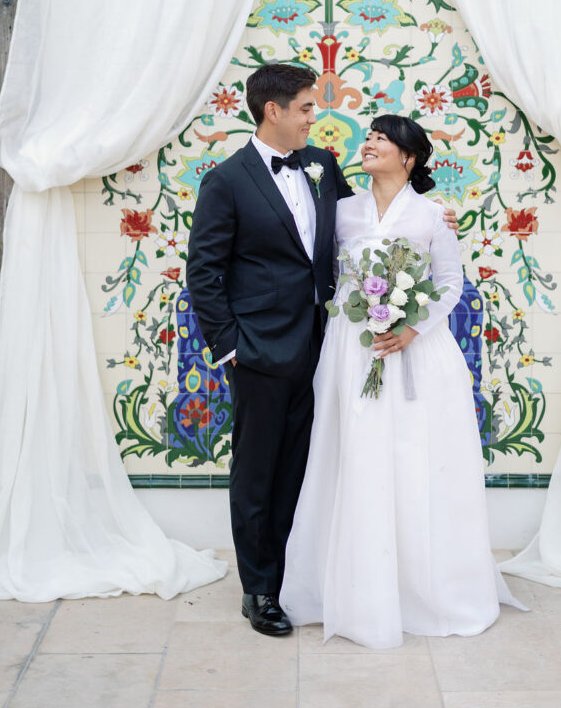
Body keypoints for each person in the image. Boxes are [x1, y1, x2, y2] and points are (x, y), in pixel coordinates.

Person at [187, 68, 458, 637]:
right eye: (307, 108)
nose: (316, 117)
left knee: (306, 470)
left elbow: (367, 227)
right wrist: (229, 348)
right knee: (257, 473)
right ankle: (259, 590)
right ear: (274, 113)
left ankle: (299, 580)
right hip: (258, 351)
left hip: (327, 347)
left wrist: (433, 218)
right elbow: (205, 272)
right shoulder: (226, 181)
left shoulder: (322, 167)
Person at [280, 114, 525, 648]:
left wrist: (414, 326)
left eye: (380, 139)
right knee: (355, 456)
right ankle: (355, 589)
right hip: (351, 348)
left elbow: (450, 282)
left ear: (408, 158)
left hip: (417, 353)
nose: (367, 144)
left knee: (416, 459)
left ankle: (425, 590)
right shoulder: (341, 210)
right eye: (367, 137)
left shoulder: (434, 214)